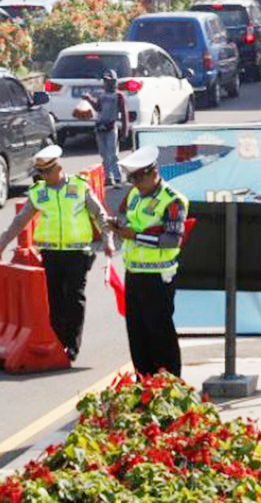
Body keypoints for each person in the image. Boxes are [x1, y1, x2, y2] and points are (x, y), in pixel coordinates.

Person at [0, 145, 114, 362]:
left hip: (77, 253)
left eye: (47, 172)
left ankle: (71, 345)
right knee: (54, 299)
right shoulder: (39, 193)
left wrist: (108, 240)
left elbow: (100, 215)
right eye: (40, 173)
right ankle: (58, 342)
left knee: (74, 298)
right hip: (51, 253)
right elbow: (19, 222)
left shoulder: (79, 187)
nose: (44, 177)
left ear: (58, 168)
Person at [109, 146, 189, 378]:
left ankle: (168, 384)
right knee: (137, 333)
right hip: (134, 272)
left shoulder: (173, 200)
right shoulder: (134, 195)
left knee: (160, 333)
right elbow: (125, 216)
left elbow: (172, 240)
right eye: (131, 178)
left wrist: (135, 236)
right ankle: (143, 383)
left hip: (159, 276)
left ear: (153, 173)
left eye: (138, 178)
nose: (134, 183)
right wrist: (116, 225)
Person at [82, 70, 129, 187]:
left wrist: (125, 130)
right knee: (104, 153)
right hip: (100, 127)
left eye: (109, 81)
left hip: (111, 126)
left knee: (112, 153)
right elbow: (98, 108)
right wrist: (89, 99)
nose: (107, 84)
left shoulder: (118, 96)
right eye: (105, 81)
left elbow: (124, 113)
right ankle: (108, 176)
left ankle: (117, 176)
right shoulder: (102, 95)